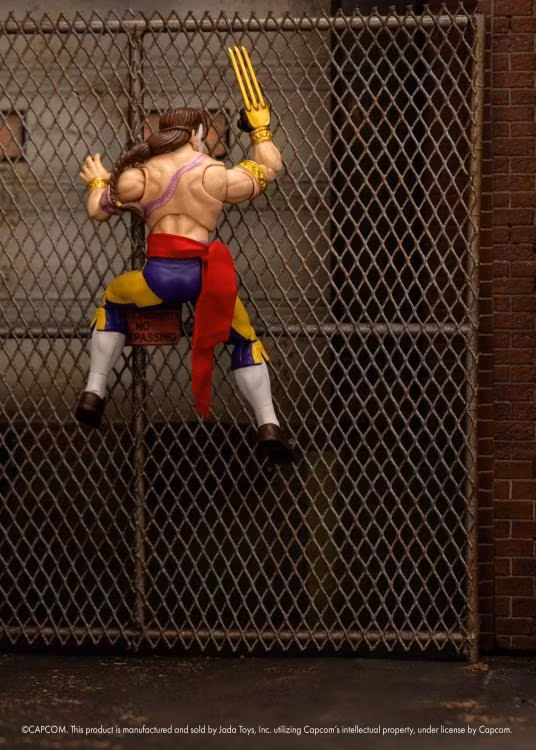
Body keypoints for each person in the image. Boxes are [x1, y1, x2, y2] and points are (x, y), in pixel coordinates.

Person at [75, 104, 294, 464]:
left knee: (113, 299)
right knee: (245, 339)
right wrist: (259, 130)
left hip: (157, 278)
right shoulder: (213, 173)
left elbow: (98, 209)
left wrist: (98, 179)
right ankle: (268, 424)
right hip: (203, 279)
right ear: (196, 135)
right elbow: (269, 168)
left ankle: (94, 389)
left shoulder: (142, 175)